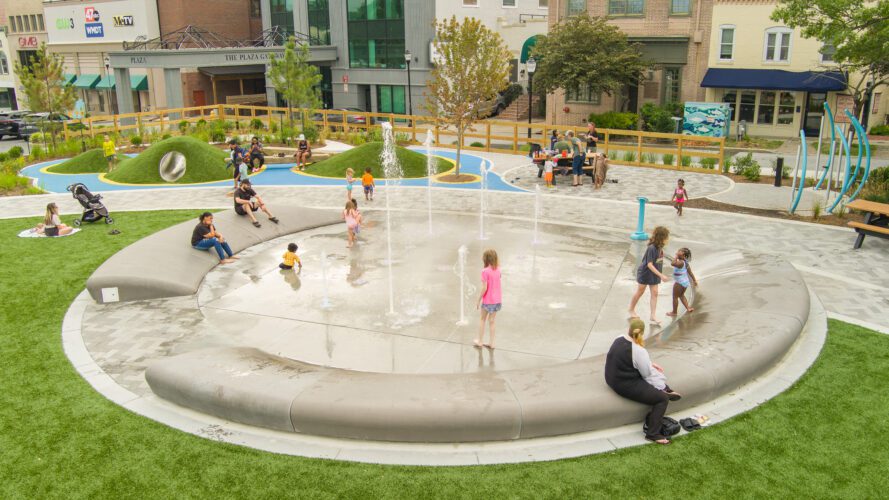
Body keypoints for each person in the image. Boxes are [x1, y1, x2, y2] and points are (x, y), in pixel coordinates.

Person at [604, 319, 680, 445]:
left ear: (629, 329)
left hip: (610, 377)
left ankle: (665, 389)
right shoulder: (639, 351)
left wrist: (649, 363)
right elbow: (646, 374)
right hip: (623, 384)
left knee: (652, 373)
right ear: (643, 333)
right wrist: (649, 366)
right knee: (661, 399)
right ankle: (653, 434)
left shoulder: (619, 338)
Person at [628, 226, 670, 325]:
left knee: (655, 293)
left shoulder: (660, 247)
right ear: (662, 237)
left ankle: (653, 315)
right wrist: (661, 275)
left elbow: (658, 261)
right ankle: (631, 309)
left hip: (654, 274)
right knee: (640, 291)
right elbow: (649, 264)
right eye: (667, 237)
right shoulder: (652, 248)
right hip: (646, 272)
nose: (668, 239)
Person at [474, 249, 501, 349]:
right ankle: (492, 343)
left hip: (488, 301)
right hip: (497, 300)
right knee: (492, 321)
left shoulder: (485, 271)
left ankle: (480, 341)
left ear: (485, 259)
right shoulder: (498, 269)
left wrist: (478, 299)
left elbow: (485, 287)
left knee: (482, 320)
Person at [666, 247, 698, 317]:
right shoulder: (686, 263)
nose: (678, 251)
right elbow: (690, 273)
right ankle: (688, 308)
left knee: (675, 297)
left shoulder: (680, 263)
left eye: (680, 251)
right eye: (678, 250)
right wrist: (694, 280)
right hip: (685, 282)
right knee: (681, 295)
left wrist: (676, 256)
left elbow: (672, 263)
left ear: (683, 255)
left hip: (679, 282)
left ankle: (674, 312)